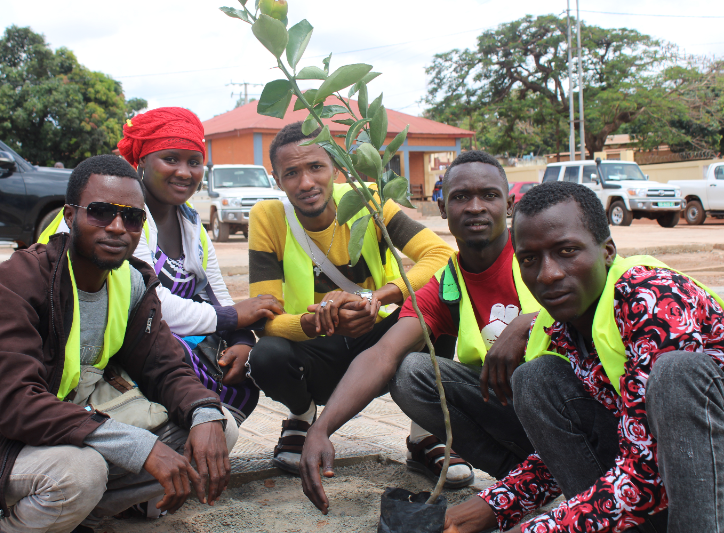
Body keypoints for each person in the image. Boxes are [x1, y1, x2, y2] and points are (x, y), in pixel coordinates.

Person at [0, 155, 232, 533]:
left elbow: (166, 367)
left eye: (132, 218)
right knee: (81, 474)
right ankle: (7, 525)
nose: (117, 227)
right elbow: (15, 404)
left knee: (214, 430)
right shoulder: (14, 283)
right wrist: (142, 448)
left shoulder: (132, 282)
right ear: (70, 216)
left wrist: (205, 414)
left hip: (77, 428)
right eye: (101, 212)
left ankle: (76, 517)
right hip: (0, 447)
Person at [443, 180, 724, 533]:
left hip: (710, 483)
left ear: (607, 251)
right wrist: (491, 507)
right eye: (530, 259)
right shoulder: (559, 327)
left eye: (567, 251)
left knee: (676, 375)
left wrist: (537, 530)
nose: (548, 274)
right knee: (535, 377)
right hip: (668, 482)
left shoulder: (653, 300)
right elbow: (621, 445)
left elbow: (648, 472)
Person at [299, 150, 542, 514]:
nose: (475, 207)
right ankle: (524, 478)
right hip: (515, 414)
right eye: (461, 197)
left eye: (488, 195)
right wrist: (321, 429)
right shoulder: (447, 285)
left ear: (508, 205)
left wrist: (530, 321)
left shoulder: (543, 255)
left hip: (573, 405)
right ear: (442, 209)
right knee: (410, 373)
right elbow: (382, 355)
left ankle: (559, 472)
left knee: (543, 373)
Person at [247, 121, 456, 478]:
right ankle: (301, 417)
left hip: (378, 343)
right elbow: (264, 318)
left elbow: (441, 256)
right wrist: (315, 322)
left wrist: (379, 296)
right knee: (265, 354)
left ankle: (424, 435)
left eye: (316, 167)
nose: (307, 183)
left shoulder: (368, 200)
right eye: (292, 173)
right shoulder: (268, 218)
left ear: (336, 167)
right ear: (276, 179)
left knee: (443, 303)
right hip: (316, 350)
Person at [118, 107, 282, 434]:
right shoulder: (125, 217)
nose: (184, 172)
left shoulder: (192, 223)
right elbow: (149, 304)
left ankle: (197, 433)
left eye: (194, 162)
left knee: (249, 366)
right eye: (170, 159)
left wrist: (241, 341)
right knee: (175, 354)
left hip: (165, 338)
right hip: (123, 343)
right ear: (142, 162)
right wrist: (233, 317)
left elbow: (216, 293)